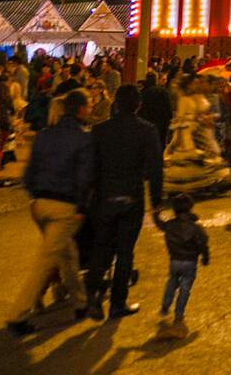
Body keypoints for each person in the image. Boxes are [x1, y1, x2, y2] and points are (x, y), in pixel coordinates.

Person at [7, 90, 96, 336]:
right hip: (64, 207)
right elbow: (85, 177)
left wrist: (36, 194)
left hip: (39, 204)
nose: (90, 109)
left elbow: (28, 174)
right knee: (45, 262)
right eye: (88, 105)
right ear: (80, 109)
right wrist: (81, 207)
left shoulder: (45, 136)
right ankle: (18, 314)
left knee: (67, 254)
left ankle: (80, 303)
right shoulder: (83, 139)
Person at [84, 83, 163, 320]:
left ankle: (94, 297)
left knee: (101, 247)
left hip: (104, 196)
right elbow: (156, 169)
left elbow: (90, 168)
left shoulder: (99, 131)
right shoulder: (147, 131)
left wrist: (89, 197)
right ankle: (118, 302)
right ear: (138, 106)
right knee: (125, 251)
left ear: (116, 105)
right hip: (131, 196)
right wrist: (156, 202)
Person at [152, 192, 210, 340]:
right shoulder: (195, 228)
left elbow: (160, 224)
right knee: (185, 289)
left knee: (172, 282)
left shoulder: (170, 225)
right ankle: (178, 316)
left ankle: (165, 306)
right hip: (190, 262)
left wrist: (155, 214)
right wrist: (205, 257)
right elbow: (203, 243)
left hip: (174, 261)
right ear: (190, 208)